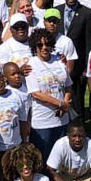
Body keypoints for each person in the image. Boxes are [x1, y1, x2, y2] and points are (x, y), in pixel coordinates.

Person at [25, 28, 73, 158]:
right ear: (35, 46)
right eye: (40, 45)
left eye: (47, 44)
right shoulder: (31, 65)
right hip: (42, 122)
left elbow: (68, 86)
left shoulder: (59, 61)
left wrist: (65, 105)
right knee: (43, 158)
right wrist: (60, 104)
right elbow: (36, 93)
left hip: (62, 119)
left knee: (61, 157)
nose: (44, 47)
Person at [60, 0, 91, 123]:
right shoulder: (57, 10)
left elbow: (88, 42)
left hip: (78, 66)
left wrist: (86, 68)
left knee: (77, 98)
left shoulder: (86, 13)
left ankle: (78, 125)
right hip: (59, 63)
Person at [42, 8, 78, 76]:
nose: (52, 23)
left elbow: (69, 69)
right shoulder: (38, 40)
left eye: (55, 21)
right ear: (44, 22)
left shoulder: (67, 42)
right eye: (49, 20)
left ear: (59, 22)